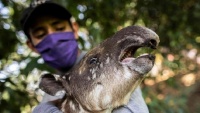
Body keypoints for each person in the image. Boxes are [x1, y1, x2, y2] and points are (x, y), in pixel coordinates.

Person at [20, 0, 149, 113]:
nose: (53, 39)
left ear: (75, 29)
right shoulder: (49, 94)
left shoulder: (105, 63)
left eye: (59, 28)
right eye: (41, 34)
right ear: (31, 46)